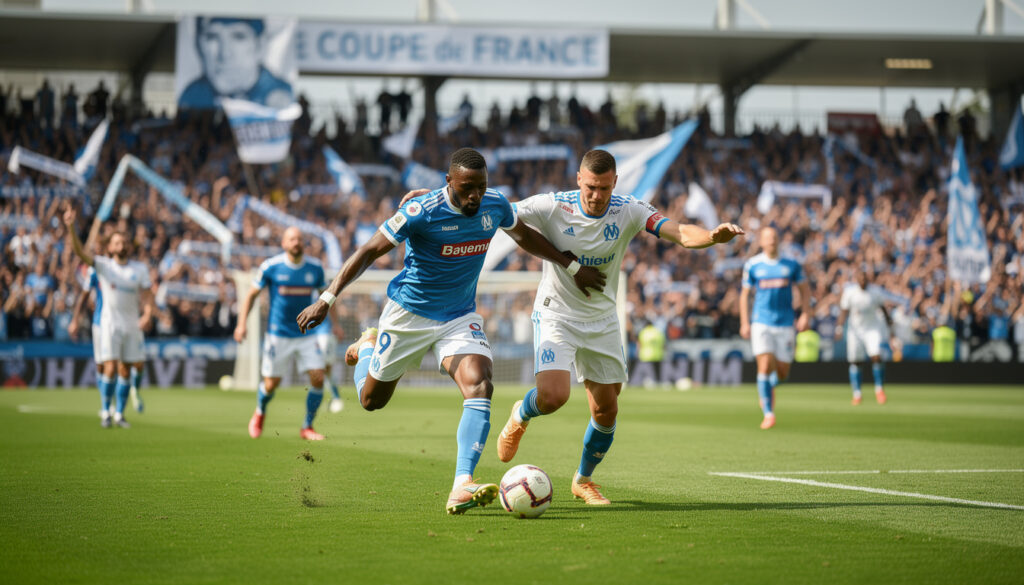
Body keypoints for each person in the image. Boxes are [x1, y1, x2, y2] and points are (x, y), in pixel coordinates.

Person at [295, 148, 605, 515]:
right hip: (408, 315)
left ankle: (462, 484)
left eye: (481, 186)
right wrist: (326, 300)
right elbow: (367, 251)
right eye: (467, 188)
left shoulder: (495, 205)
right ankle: (367, 346)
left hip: (459, 316)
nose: (475, 195)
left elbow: (524, 236)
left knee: (480, 383)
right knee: (371, 401)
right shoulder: (421, 211)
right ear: (449, 182)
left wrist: (570, 266)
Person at [494, 149, 744, 505]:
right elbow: (501, 208)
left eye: (604, 189)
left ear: (615, 183)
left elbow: (679, 232)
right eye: (591, 187)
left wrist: (711, 237)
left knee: (606, 411)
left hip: (601, 320)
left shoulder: (629, 209)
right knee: (553, 397)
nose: (597, 196)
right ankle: (521, 413)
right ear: (579, 179)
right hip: (557, 314)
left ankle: (583, 480)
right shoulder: (553, 206)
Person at [234, 227, 329, 441]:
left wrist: (336, 325)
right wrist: (241, 325)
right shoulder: (271, 267)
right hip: (278, 334)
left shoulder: (315, 268)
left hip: (306, 334)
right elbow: (251, 296)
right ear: (284, 244)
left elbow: (326, 298)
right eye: (292, 239)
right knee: (271, 384)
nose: (296, 242)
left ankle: (307, 426)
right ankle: (259, 412)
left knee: (318, 378)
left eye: (299, 239)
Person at [64, 207, 153, 429]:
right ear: (110, 247)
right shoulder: (103, 266)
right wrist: (71, 228)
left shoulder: (139, 269)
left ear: (129, 246)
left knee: (126, 369)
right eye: (116, 243)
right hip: (108, 323)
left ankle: (120, 414)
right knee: (110, 367)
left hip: (131, 324)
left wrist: (148, 313)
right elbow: (80, 253)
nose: (121, 245)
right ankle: (105, 411)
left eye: (124, 242)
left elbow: (147, 296)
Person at [739, 226, 810, 430]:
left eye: (774, 238)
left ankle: (769, 386)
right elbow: (744, 295)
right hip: (761, 321)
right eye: (767, 238)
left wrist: (805, 314)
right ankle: (768, 413)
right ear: (761, 242)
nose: (771, 241)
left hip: (786, 322)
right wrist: (745, 322)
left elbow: (805, 291)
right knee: (764, 365)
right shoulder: (753, 265)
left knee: (781, 372)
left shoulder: (791, 264)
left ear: (778, 241)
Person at [179, 17, 292, 109]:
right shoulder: (192, 95)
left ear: (260, 45)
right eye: (212, 36)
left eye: (238, 37)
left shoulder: (281, 97)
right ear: (199, 45)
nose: (224, 54)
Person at [835, 270, 896, 405]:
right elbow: (843, 311)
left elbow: (884, 311)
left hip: (872, 329)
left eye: (865, 278)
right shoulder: (850, 292)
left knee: (876, 356)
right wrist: (839, 328)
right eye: (860, 278)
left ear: (868, 279)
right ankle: (857, 393)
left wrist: (891, 331)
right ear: (856, 279)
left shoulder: (875, 292)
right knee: (856, 362)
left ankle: (879, 389)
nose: (863, 281)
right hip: (854, 331)